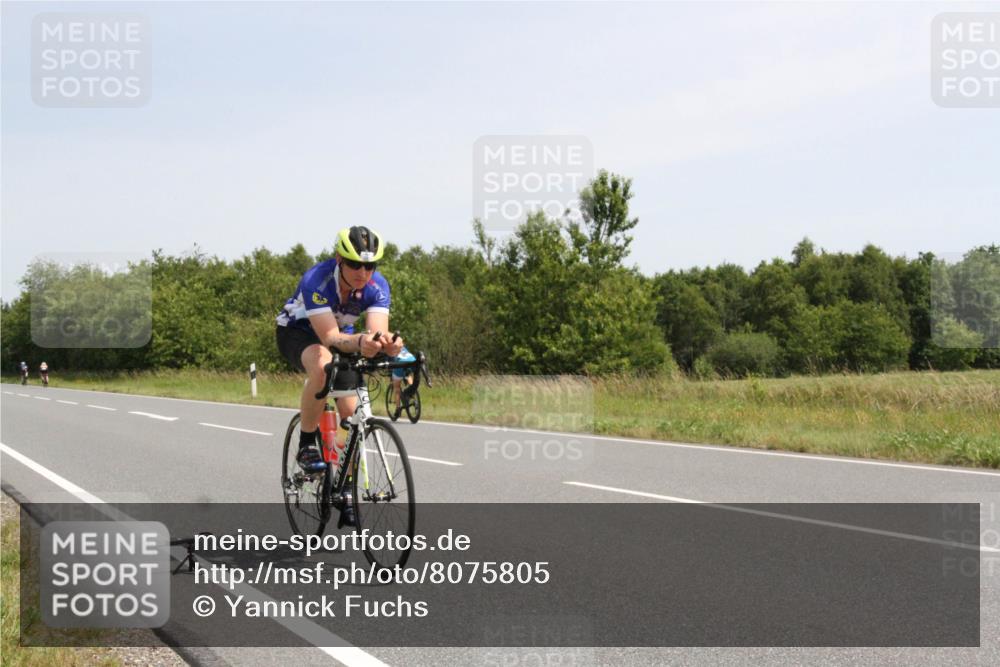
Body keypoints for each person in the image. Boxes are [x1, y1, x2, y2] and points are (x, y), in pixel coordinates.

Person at [275, 226, 404, 525]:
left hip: (344, 338)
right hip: (299, 332)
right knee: (322, 365)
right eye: (355, 264)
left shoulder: (377, 286)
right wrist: (361, 342)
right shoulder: (317, 279)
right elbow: (329, 337)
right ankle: (307, 444)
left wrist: (387, 345)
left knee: (353, 418)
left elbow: (375, 332)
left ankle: (345, 488)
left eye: (370, 265)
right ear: (339, 259)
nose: (363, 272)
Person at [388, 346, 417, 418]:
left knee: (397, 388)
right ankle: (413, 395)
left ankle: (398, 409)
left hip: (400, 363)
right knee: (408, 375)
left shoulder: (388, 349)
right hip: (412, 361)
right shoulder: (402, 346)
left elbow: (390, 363)